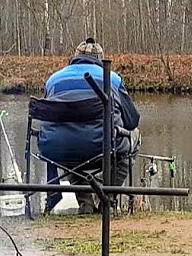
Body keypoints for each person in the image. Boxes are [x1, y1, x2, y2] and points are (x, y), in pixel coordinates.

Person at [39, 38, 141, 213]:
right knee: (134, 136)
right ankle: (107, 199)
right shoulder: (112, 79)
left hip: (57, 149)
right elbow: (132, 121)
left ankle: (85, 202)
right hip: (102, 148)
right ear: (100, 59)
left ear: (75, 57)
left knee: (69, 139)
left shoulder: (53, 80)